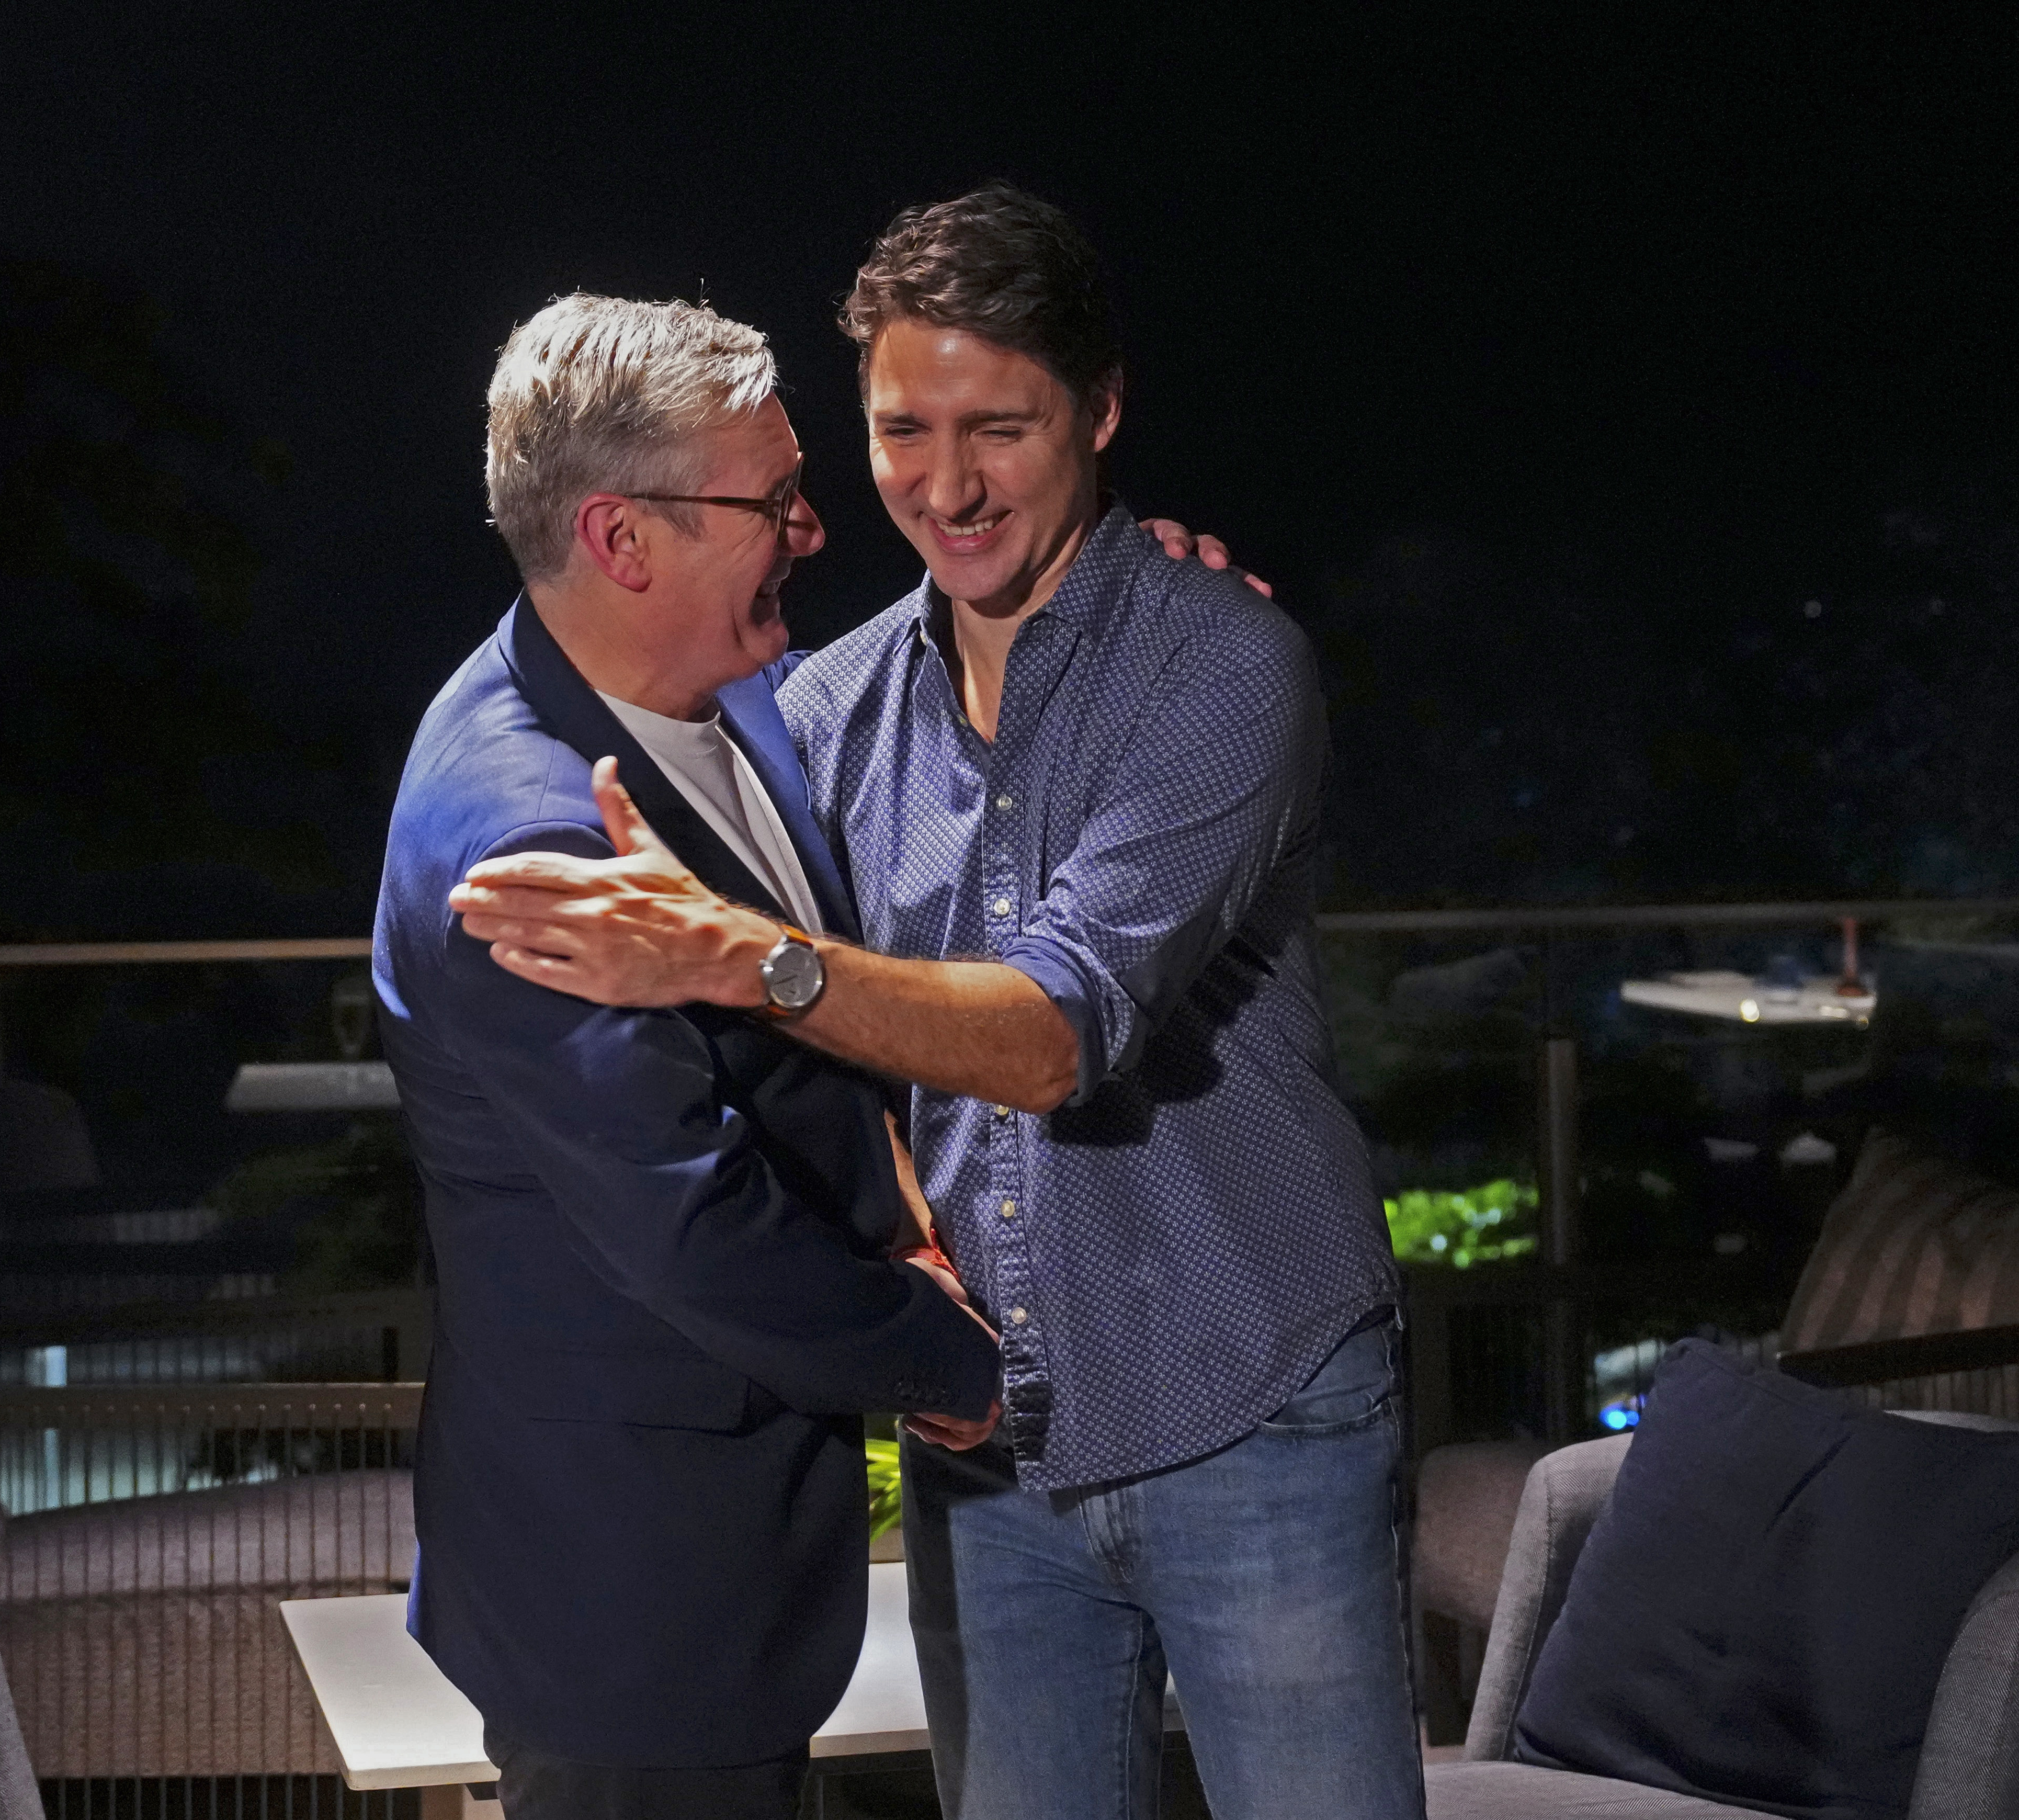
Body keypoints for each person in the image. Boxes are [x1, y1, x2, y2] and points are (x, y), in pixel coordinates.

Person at [450, 185, 1424, 1820]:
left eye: (1003, 429)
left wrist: (738, 954)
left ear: (1102, 413)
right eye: (905, 429)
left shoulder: (1223, 666)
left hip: (1255, 1405)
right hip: (994, 1444)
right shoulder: (815, 711)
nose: (949, 486)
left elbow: (1054, 1033)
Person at [371, 292, 1003, 1820]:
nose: (810, 529)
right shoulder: (526, 844)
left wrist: (1147, 592)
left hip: (692, 1571)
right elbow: (693, 1224)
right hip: (633, 1604)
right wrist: (959, 1368)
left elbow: (919, 682)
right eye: (770, 501)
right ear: (621, 539)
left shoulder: (711, 689)